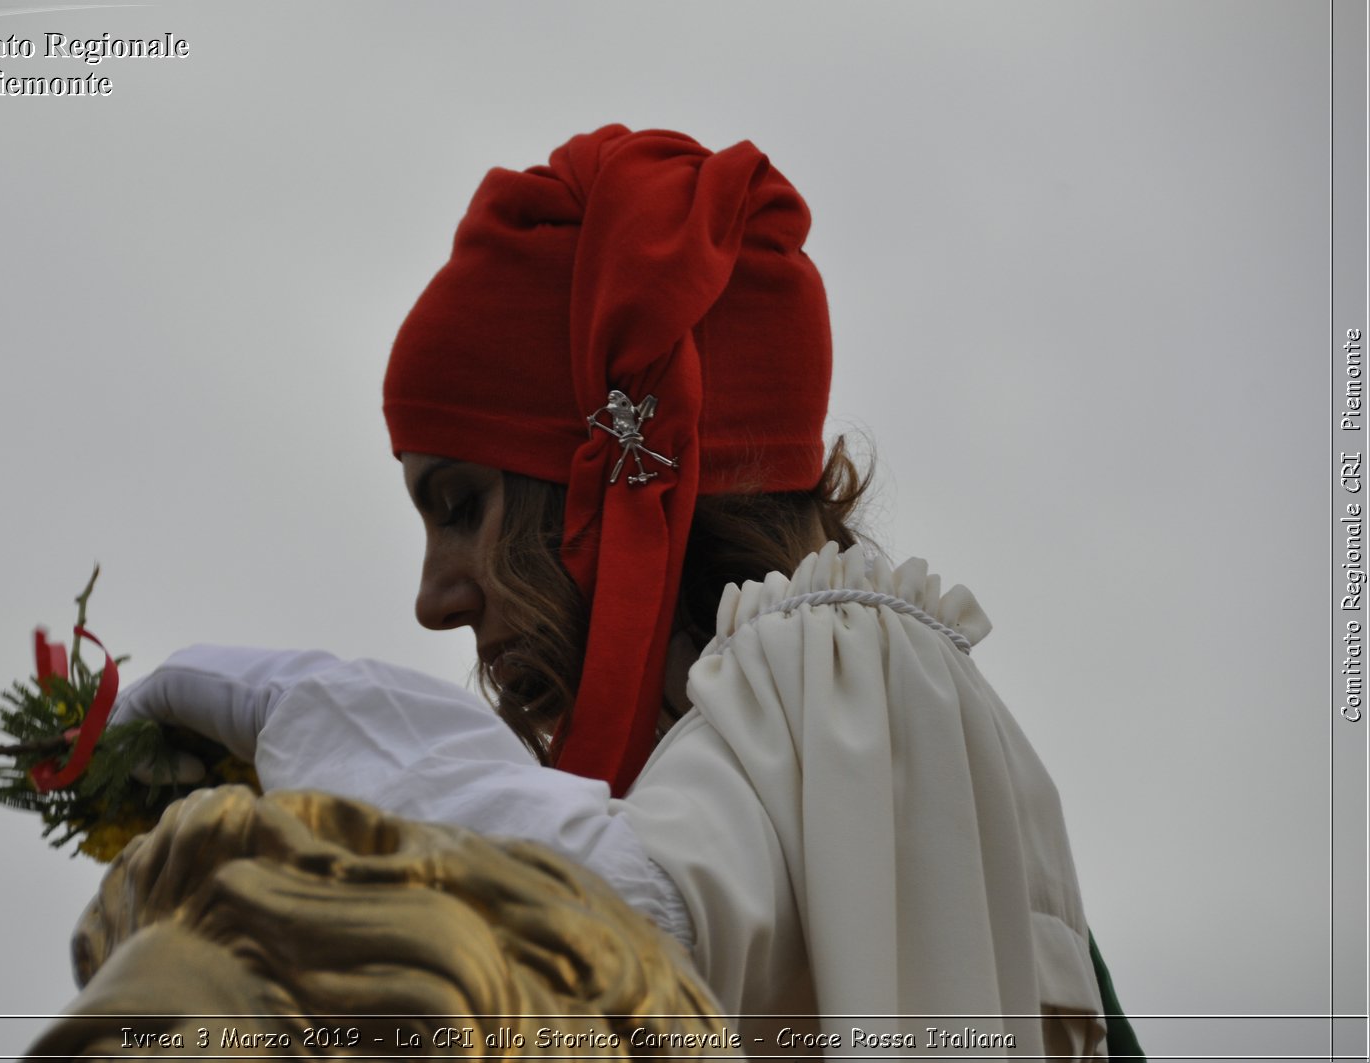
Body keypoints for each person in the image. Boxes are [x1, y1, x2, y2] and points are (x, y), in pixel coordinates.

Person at [110, 124, 1134, 1059]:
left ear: (598, 485)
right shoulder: (802, 719)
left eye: (461, 502)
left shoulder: (841, 655)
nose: (433, 598)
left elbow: (614, 952)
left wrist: (356, 747)